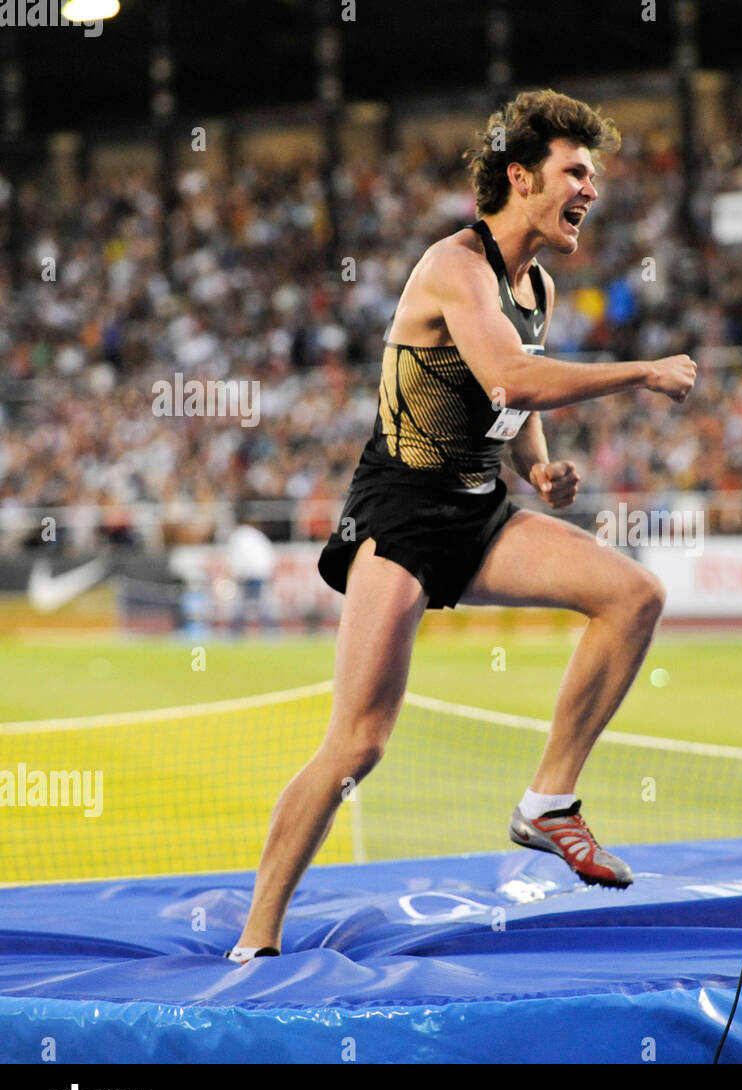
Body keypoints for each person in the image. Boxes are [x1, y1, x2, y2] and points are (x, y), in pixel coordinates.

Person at [226, 90, 696, 963]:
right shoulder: (454, 266)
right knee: (358, 743)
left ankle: (549, 803)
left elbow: (510, 403)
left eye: (592, 174)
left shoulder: (537, 283)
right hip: (401, 514)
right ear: (521, 178)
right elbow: (513, 377)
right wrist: (642, 372)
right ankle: (258, 938)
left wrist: (540, 467)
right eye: (575, 173)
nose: (591, 189)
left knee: (635, 595)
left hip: (480, 510)